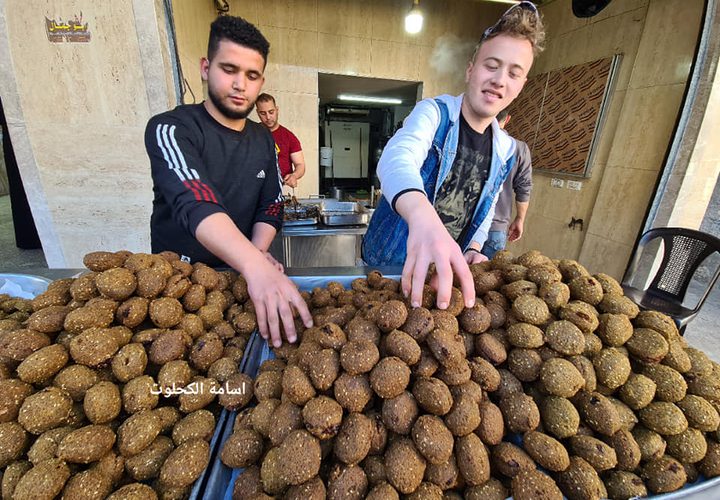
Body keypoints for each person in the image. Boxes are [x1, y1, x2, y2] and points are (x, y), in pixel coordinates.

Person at [362, 1, 545, 311]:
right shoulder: (434, 114)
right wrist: (424, 219)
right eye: (491, 65)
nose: (499, 80)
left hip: (440, 277)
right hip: (388, 267)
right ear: (471, 69)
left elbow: (484, 208)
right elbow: (397, 158)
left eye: (514, 73)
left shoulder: (505, 149)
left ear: (521, 85)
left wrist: (474, 247)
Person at [145, 15, 312, 347]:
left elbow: (272, 204)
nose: (240, 85)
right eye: (229, 69)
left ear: (261, 81)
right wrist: (254, 263)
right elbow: (196, 201)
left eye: (251, 75)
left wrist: (257, 254)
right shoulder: (171, 129)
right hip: (179, 286)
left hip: (242, 283)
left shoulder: (264, 140)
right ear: (206, 68)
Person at [481, 109, 533, 259]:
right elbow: (524, 187)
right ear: (508, 119)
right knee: (491, 276)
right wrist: (520, 219)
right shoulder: (519, 149)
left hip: (463, 224)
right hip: (496, 225)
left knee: (453, 277)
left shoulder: (471, 141)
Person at [256, 93, 306, 189]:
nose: (268, 117)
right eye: (263, 113)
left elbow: (300, 165)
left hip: (280, 188)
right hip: (255, 188)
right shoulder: (251, 134)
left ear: (277, 110)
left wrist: (294, 176)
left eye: (271, 112)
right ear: (257, 112)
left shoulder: (289, 137)